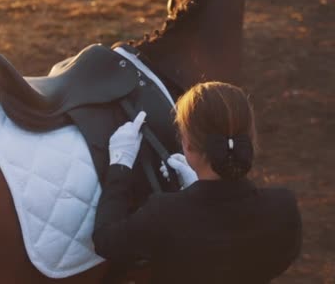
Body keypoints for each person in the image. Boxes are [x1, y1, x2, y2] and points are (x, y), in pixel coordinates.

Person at [93, 81, 302, 283]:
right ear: (250, 138)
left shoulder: (163, 212)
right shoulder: (283, 206)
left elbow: (106, 240)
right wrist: (193, 188)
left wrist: (121, 163)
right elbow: (281, 260)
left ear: (189, 146)